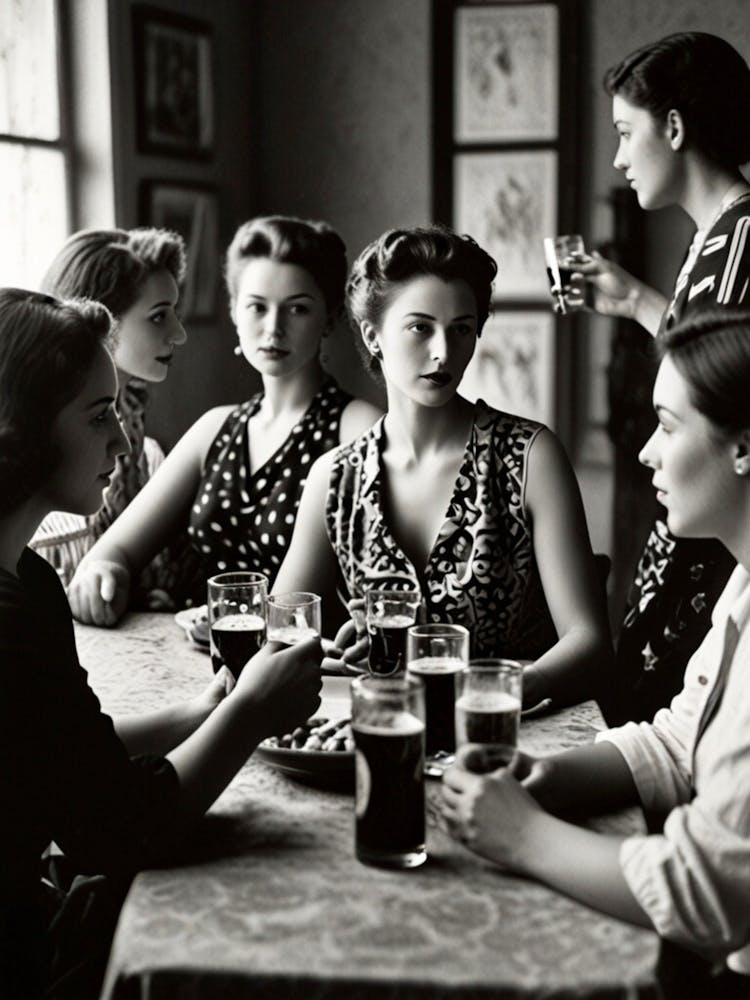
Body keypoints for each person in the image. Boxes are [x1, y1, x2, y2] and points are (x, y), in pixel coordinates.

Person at [0, 289, 322, 999]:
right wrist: (250, 716)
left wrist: (208, 706)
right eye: (97, 414)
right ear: (18, 430)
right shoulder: (10, 619)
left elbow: (74, 756)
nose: (121, 439)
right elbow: (119, 829)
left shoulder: (27, 577)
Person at [442, 309, 750, 998]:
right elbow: (680, 740)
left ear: (744, 447)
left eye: (668, 427)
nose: (645, 452)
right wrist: (550, 779)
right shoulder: (743, 581)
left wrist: (525, 839)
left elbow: (712, 896)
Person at [273, 225, 611, 708]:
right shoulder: (335, 477)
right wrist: (344, 652)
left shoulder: (531, 456)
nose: (444, 352)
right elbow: (284, 637)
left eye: (462, 329)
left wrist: (489, 691)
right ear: (372, 335)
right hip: (386, 730)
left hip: (509, 738)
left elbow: (589, 644)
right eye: (420, 327)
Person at [67, 216, 381, 626]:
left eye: (298, 308)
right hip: (202, 660)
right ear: (234, 311)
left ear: (331, 317)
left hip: (309, 669)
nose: (274, 328)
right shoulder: (215, 429)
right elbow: (112, 553)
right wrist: (106, 575)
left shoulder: (358, 428)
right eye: (256, 306)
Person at [571, 32, 750, 724]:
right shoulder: (713, 235)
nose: (619, 158)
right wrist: (634, 301)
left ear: (673, 128)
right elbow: (707, 355)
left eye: (625, 132)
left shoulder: (741, 235)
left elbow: (726, 391)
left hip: (715, 540)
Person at [30, 227, 190, 600]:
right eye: (158, 316)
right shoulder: (45, 443)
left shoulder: (136, 426)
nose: (178, 333)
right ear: (101, 316)